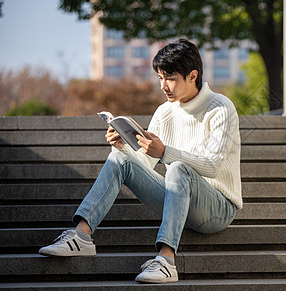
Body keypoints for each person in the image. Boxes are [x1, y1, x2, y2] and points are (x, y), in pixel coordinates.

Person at [39, 39, 242, 284]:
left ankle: (166, 262)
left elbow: (213, 165)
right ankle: (81, 236)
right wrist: (124, 146)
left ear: (193, 75)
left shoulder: (220, 107)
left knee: (177, 168)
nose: (163, 86)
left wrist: (165, 151)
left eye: (171, 78)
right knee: (120, 158)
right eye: (160, 78)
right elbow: (145, 164)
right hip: (178, 200)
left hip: (217, 208)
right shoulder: (164, 112)